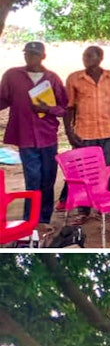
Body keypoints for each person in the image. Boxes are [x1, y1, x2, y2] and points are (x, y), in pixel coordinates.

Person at [0, 40, 68, 230]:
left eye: (34, 54)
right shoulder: (13, 75)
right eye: (27, 54)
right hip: (25, 137)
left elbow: (64, 108)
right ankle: (30, 220)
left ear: (42, 56)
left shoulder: (52, 78)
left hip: (47, 136)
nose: (29, 57)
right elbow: (3, 99)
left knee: (48, 178)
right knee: (33, 179)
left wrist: (48, 109)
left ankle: (44, 219)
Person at [64, 46, 110, 181]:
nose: (86, 59)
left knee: (106, 171)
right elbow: (69, 107)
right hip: (84, 134)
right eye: (85, 56)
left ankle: (104, 200)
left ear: (100, 58)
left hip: (108, 132)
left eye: (90, 56)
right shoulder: (74, 78)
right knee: (85, 173)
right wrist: (69, 132)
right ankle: (85, 201)